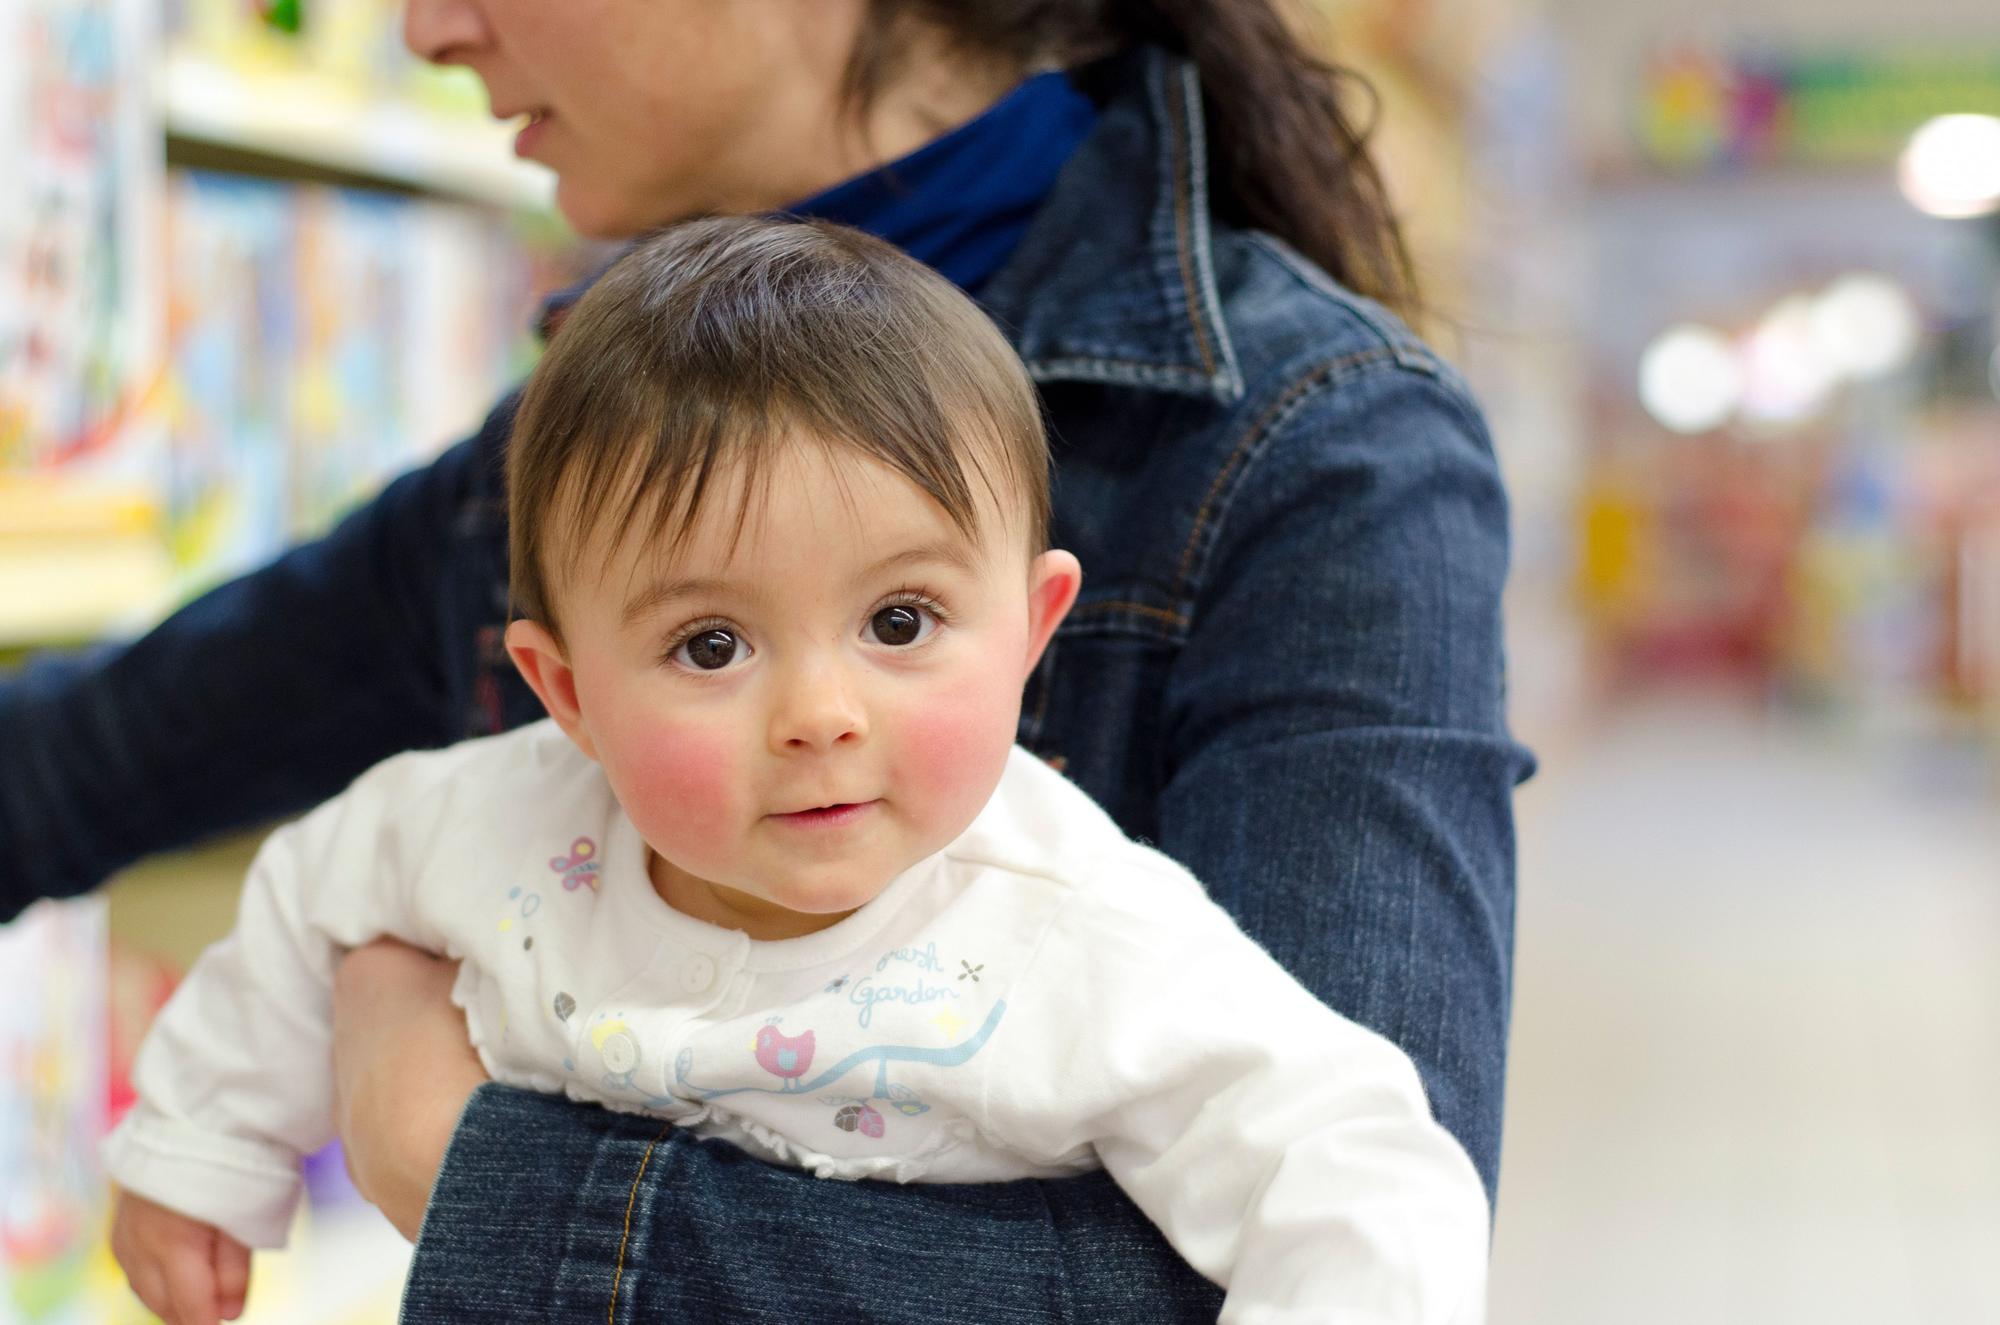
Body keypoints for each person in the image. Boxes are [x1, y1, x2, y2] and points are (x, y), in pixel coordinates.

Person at [2, 1, 1532, 1316]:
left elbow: (1328, 1235)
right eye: (709, 641)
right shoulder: (567, 450)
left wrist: (461, 1156)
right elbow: (91, 760)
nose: (426, 29)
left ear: (1034, 605)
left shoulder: (1316, 451)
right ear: (563, 686)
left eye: (905, 622)